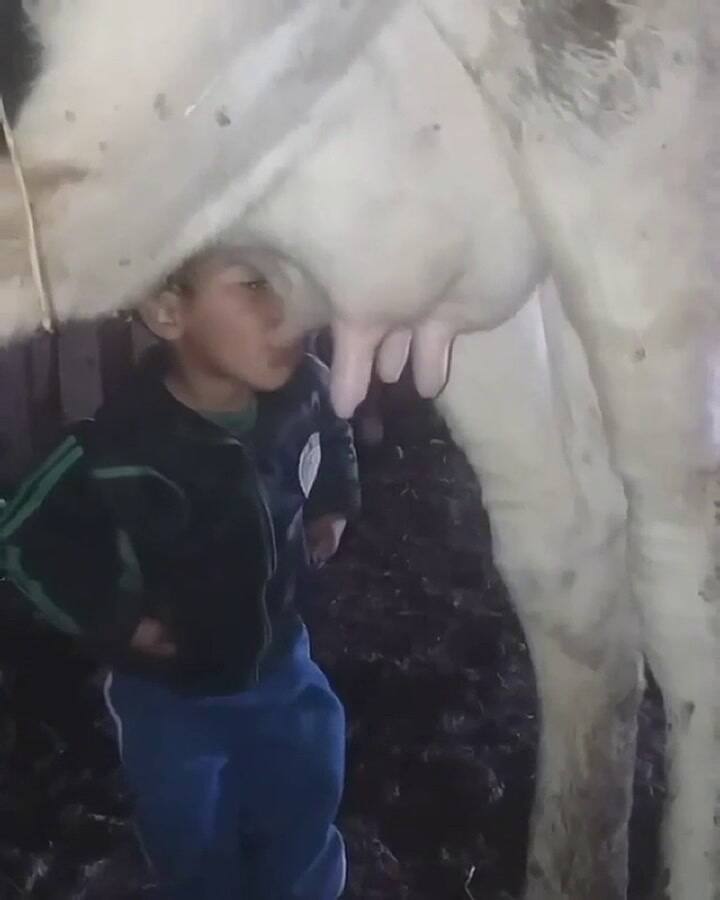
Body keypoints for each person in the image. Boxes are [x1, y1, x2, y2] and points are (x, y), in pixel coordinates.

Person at [0, 245, 361, 900]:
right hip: (171, 695)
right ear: (168, 311)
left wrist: (332, 506)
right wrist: (118, 620)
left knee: (309, 784)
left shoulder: (303, 389)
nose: (291, 308)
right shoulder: (115, 448)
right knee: (189, 824)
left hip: (284, 659)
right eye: (254, 284)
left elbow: (330, 432)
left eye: (294, 280)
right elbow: (26, 536)